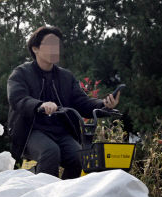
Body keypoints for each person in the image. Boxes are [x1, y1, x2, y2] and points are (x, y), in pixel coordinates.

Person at [7, 26, 120, 179]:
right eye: (50, 44)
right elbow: (17, 98)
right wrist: (39, 105)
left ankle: (65, 196)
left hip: (61, 132)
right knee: (50, 151)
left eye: (57, 44)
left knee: (79, 156)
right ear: (35, 48)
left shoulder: (66, 77)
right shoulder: (20, 73)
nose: (55, 48)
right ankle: (44, 196)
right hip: (31, 131)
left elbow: (82, 102)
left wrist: (104, 104)